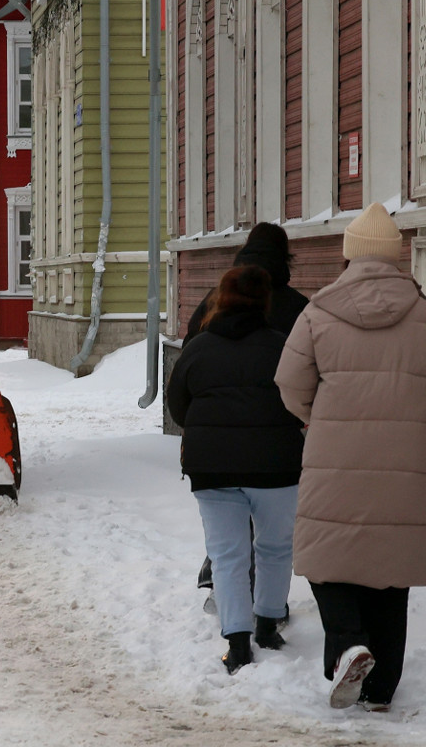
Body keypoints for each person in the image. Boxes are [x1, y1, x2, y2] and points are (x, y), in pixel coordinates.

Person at [275, 202, 426, 712]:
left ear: (348, 255)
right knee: (391, 569)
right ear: (397, 257)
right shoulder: (423, 310)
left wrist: (319, 420)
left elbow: (289, 385)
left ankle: (346, 644)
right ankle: (381, 691)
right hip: (408, 464)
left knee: (327, 557)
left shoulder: (318, 311)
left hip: (333, 456)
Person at [167, 265, 305, 675]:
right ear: (265, 300)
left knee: (227, 555)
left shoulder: (197, 348)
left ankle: (238, 644)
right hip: (276, 466)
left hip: (212, 468)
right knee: (275, 547)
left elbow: (178, 407)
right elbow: (301, 401)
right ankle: (267, 625)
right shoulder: (283, 347)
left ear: (219, 298)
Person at [186, 222, 310, 610]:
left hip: (216, 447)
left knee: (228, 530)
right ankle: (270, 611)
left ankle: (226, 591)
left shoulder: (212, 302)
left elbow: (186, 371)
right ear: (284, 258)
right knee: (273, 533)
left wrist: (200, 419)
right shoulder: (301, 309)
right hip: (278, 441)